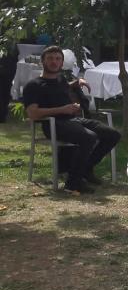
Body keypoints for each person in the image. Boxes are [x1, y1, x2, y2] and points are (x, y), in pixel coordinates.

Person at [22, 45, 120, 193]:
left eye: (57, 59)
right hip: (54, 124)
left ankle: (85, 169)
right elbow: (33, 114)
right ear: (43, 61)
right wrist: (62, 109)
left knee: (112, 135)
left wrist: (77, 82)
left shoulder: (60, 80)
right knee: (89, 137)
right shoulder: (34, 85)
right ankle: (73, 183)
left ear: (62, 63)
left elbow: (61, 87)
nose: (54, 62)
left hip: (72, 121)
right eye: (50, 59)